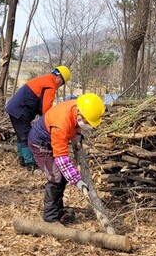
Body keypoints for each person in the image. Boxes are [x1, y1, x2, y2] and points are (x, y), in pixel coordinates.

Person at [28, 93, 106, 224]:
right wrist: (77, 180)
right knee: (56, 177)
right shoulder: (61, 125)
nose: (88, 125)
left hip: (51, 140)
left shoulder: (79, 107)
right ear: (80, 114)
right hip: (40, 144)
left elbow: (75, 126)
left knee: (62, 177)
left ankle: (58, 211)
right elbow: (62, 158)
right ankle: (50, 218)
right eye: (87, 122)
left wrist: (77, 134)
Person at [5, 66, 71, 171]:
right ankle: (30, 164)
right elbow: (46, 108)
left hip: (15, 109)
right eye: (62, 83)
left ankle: (22, 159)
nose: (60, 86)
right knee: (26, 137)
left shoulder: (44, 79)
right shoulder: (50, 85)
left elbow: (41, 105)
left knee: (20, 135)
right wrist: (49, 123)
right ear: (59, 78)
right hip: (20, 111)